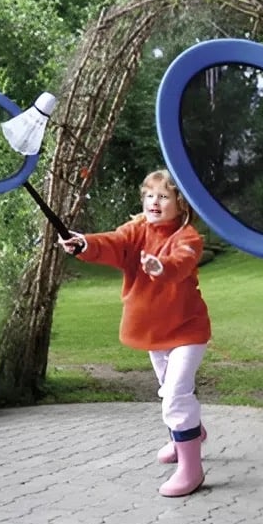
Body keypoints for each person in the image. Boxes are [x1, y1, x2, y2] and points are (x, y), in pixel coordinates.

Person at [57, 168, 212, 497]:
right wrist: (84, 243)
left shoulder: (188, 238)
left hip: (187, 331)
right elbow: (112, 243)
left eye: (164, 196)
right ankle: (188, 435)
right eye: (149, 195)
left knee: (175, 395)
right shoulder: (136, 230)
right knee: (169, 391)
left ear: (181, 203)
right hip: (155, 332)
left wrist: (161, 267)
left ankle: (191, 470)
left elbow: (180, 263)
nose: (154, 202)